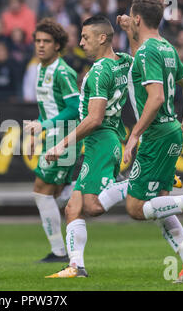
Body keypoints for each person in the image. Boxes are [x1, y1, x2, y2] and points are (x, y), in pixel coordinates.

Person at [96, 0, 183, 283]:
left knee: (135, 208)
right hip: (172, 131)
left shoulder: (146, 53)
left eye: (131, 17)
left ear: (138, 19)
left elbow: (155, 98)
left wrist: (134, 136)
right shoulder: (166, 48)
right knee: (160, 203)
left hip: (156, 135)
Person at [44, 15, 132, 278]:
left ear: (102, 38)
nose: (81, 42)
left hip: (102, 140)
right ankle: (76, 266)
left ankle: (139, 180)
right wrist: (131, 29)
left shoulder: (97, 72)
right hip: (108, 138)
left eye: (86, 37)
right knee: (73, 208)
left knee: (93, 206)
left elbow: (94, 119)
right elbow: (137, 54)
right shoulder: (123, 62)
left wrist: (62, 144)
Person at [23, 18, 81, 263]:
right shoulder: (39, 68)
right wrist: (38, 133)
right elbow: (48, 109)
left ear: (58, 45)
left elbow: (74, 108)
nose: (41, 45)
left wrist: (43, 126)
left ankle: (58, 252)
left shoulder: (63, 71)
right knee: (55, 193)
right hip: (53, 138)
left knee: (41, 192)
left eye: (46, 41)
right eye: (38, 41)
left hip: (65, 138)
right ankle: (93, 187)